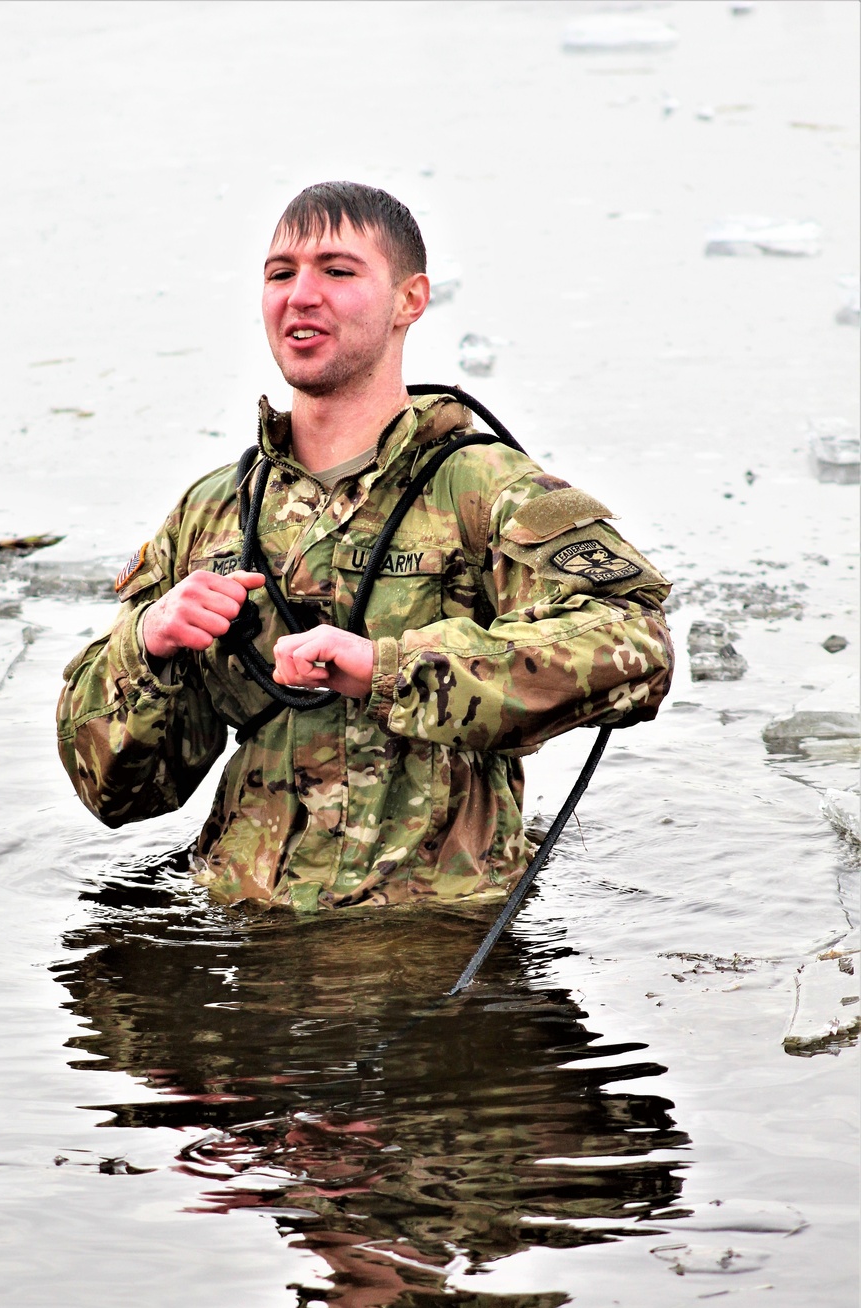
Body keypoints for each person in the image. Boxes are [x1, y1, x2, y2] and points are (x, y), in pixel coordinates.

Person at [57, 182, 674, 912]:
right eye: (281, 274)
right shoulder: (215, 511)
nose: (301, 295)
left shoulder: (482, 487)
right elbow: (116, 793)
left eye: (338, 271)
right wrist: (148, 644)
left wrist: (389, 670)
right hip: (242, 922)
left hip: (438, 928)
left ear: (410, 300)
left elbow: (636, 644)